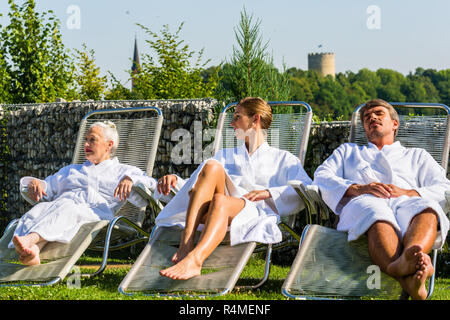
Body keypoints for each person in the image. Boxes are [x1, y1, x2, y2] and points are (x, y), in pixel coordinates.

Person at [154, 97, 312, 280]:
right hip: (211, 210)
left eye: (237, 117)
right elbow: (197, 185)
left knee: (220, 199)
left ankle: (195, 260)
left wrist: (270, 192)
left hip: (253, 212)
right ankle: (186, 245)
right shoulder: (225, 155)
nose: (232, 123)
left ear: (256, 119)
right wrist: (175, 180)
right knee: (212, 167)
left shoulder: (284, 159)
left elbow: (305, 188)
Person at [313, 99, 450, 300]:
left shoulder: (416, 156)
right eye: (366, 117)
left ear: (395, 124)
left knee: (428, 208)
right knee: (375, 211)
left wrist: (409, 192)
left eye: (378, 113)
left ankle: (412, 255)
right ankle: (406, 270)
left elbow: (444, 187)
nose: (372, 118)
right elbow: (322, 176)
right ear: (365, 128)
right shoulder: (348, 152)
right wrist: (358, 188)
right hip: (364, 204)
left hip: (406, 204)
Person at [9, 121, 157, 266]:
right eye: (86, 140)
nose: (86, 145)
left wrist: (132, 179)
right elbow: (47, 187)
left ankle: (30, 239)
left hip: (96, 214)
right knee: (39, 210)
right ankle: (34, 250)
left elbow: (152, 184)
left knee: (68, 210)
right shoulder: (71, 170)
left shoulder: (123, 171)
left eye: (92, 140)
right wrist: (36, 183)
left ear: (109, 145)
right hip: (63, 208)